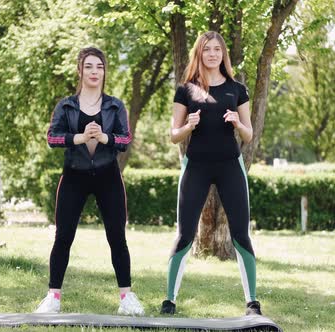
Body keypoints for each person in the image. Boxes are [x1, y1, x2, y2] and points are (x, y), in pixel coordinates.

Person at [35, 47, 144, 316]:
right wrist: (80, 138)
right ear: (80, 71)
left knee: (117, 237)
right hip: (74, 176)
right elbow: (52, 138)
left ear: (104, 71)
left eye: (99, 67)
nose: (94, 72)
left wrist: (106, 138)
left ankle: (127, 298)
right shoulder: (67, 105)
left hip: (109, 176)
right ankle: (53, 297)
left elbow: (126, 139)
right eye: (89, 67)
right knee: (63, 237)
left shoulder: (115, 105)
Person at [160, 31, 261, 316]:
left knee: (241, 234)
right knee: (184, 235)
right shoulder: (186, 90)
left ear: (223, 55)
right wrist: (188, 127)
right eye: (207, 50)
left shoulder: (237, 89)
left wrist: (236, 124)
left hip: (230, 166)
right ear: (199, 54)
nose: (212, 54)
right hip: (197, 167)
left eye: (217, 50)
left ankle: (252, 301)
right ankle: (169, 300)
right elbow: (173, 136)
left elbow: (249, 134)